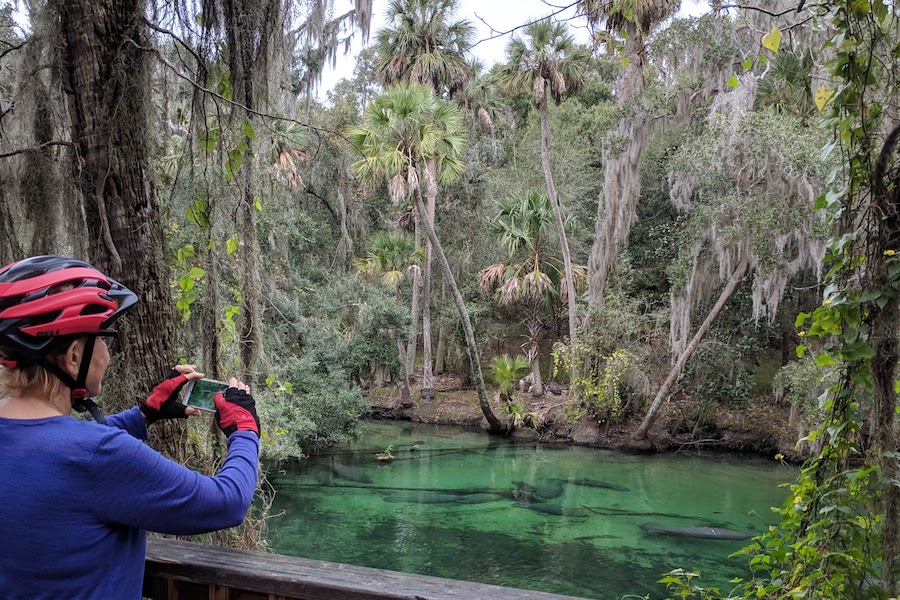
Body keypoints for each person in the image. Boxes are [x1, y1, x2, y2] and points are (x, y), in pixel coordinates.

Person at [0, 256, 261, 599]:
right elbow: (226, 503)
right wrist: (245, 430)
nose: (108, 353)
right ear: (73, 356)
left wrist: (143, 416)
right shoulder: (99, 454)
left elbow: (49, 450)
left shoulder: (59, 446)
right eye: (105, 338)